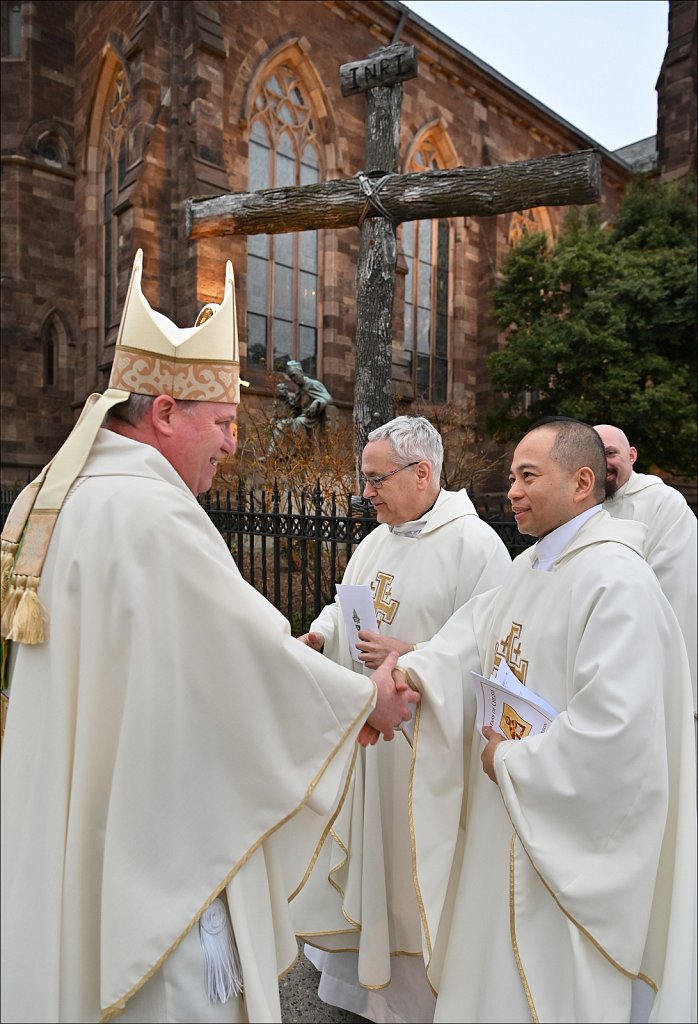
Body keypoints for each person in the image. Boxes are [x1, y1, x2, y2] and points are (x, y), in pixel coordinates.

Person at [0, 250, 419, 1024]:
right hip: (153, 845)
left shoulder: (57, 496)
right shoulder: (151, 514)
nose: (231, 444)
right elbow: (238, 656)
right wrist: (363, 702)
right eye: (223, 423)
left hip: (80, 817)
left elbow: (178, 660)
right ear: (165, 412)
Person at [395, 418, 696, 1023]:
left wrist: (508, 759)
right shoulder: (531, 565)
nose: (512, 490)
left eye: (528, 476)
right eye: (512, 476)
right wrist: (414, 674)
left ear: (583, 481)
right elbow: (471, 637)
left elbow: (617, 736)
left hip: (563, 845)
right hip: (505, 822)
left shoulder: (618, 582)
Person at [291, 416, 511, 1023]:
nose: (367, 492)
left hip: (429, 745)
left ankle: (418, 999)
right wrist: (321, 632)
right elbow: (348, 603)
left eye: (376, 478)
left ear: (422, 473)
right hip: (374, 736)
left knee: (418, 868)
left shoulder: (476, 547)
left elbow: (492, 650)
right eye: (364, 479)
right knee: (373, 855)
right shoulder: (378, 539)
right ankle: (362, 983)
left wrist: (412, 657)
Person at [594, 423, 697, 729]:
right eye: (597, 455)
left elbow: (677, 589)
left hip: (644, 652)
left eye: (611, 453)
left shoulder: (664, 504)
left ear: (632, 455)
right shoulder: (586, 504)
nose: (604, 463)